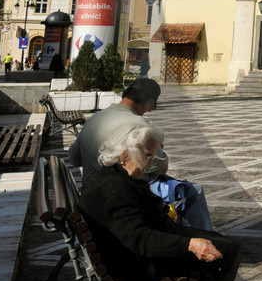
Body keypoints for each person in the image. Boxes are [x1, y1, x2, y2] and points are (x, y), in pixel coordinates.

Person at [79, 120, 250, 281]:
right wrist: (189, 244)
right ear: (125, 152)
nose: (150, 162)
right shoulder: (114, 189)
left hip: (134, 251)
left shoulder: (113, 176)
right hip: (134, 266)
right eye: (147, 155)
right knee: (229, 251)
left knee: (217, 239)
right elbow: (139, 239)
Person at [70, 78, 215, 230]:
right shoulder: (139, 124)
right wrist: (159, 149)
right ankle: (201, 241)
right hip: (122, 191)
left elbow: (74, 158)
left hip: (91, 191)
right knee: (193, 191)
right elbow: (160, 168)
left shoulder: (95, 118)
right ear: (149, 102)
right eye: (150, 106)